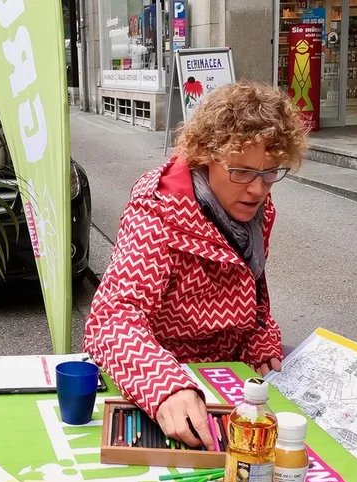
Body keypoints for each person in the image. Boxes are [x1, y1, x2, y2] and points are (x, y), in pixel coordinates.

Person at [84, 82, 306, 450]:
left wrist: (260, 335)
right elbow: (113, 318)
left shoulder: (255, 208)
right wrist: (164, 385)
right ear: (205, 156)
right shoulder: (159, 211)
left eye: (271, 172)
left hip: (233, 374)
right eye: (242, 172)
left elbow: (253, 286)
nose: (257, 189)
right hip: (172, 373)